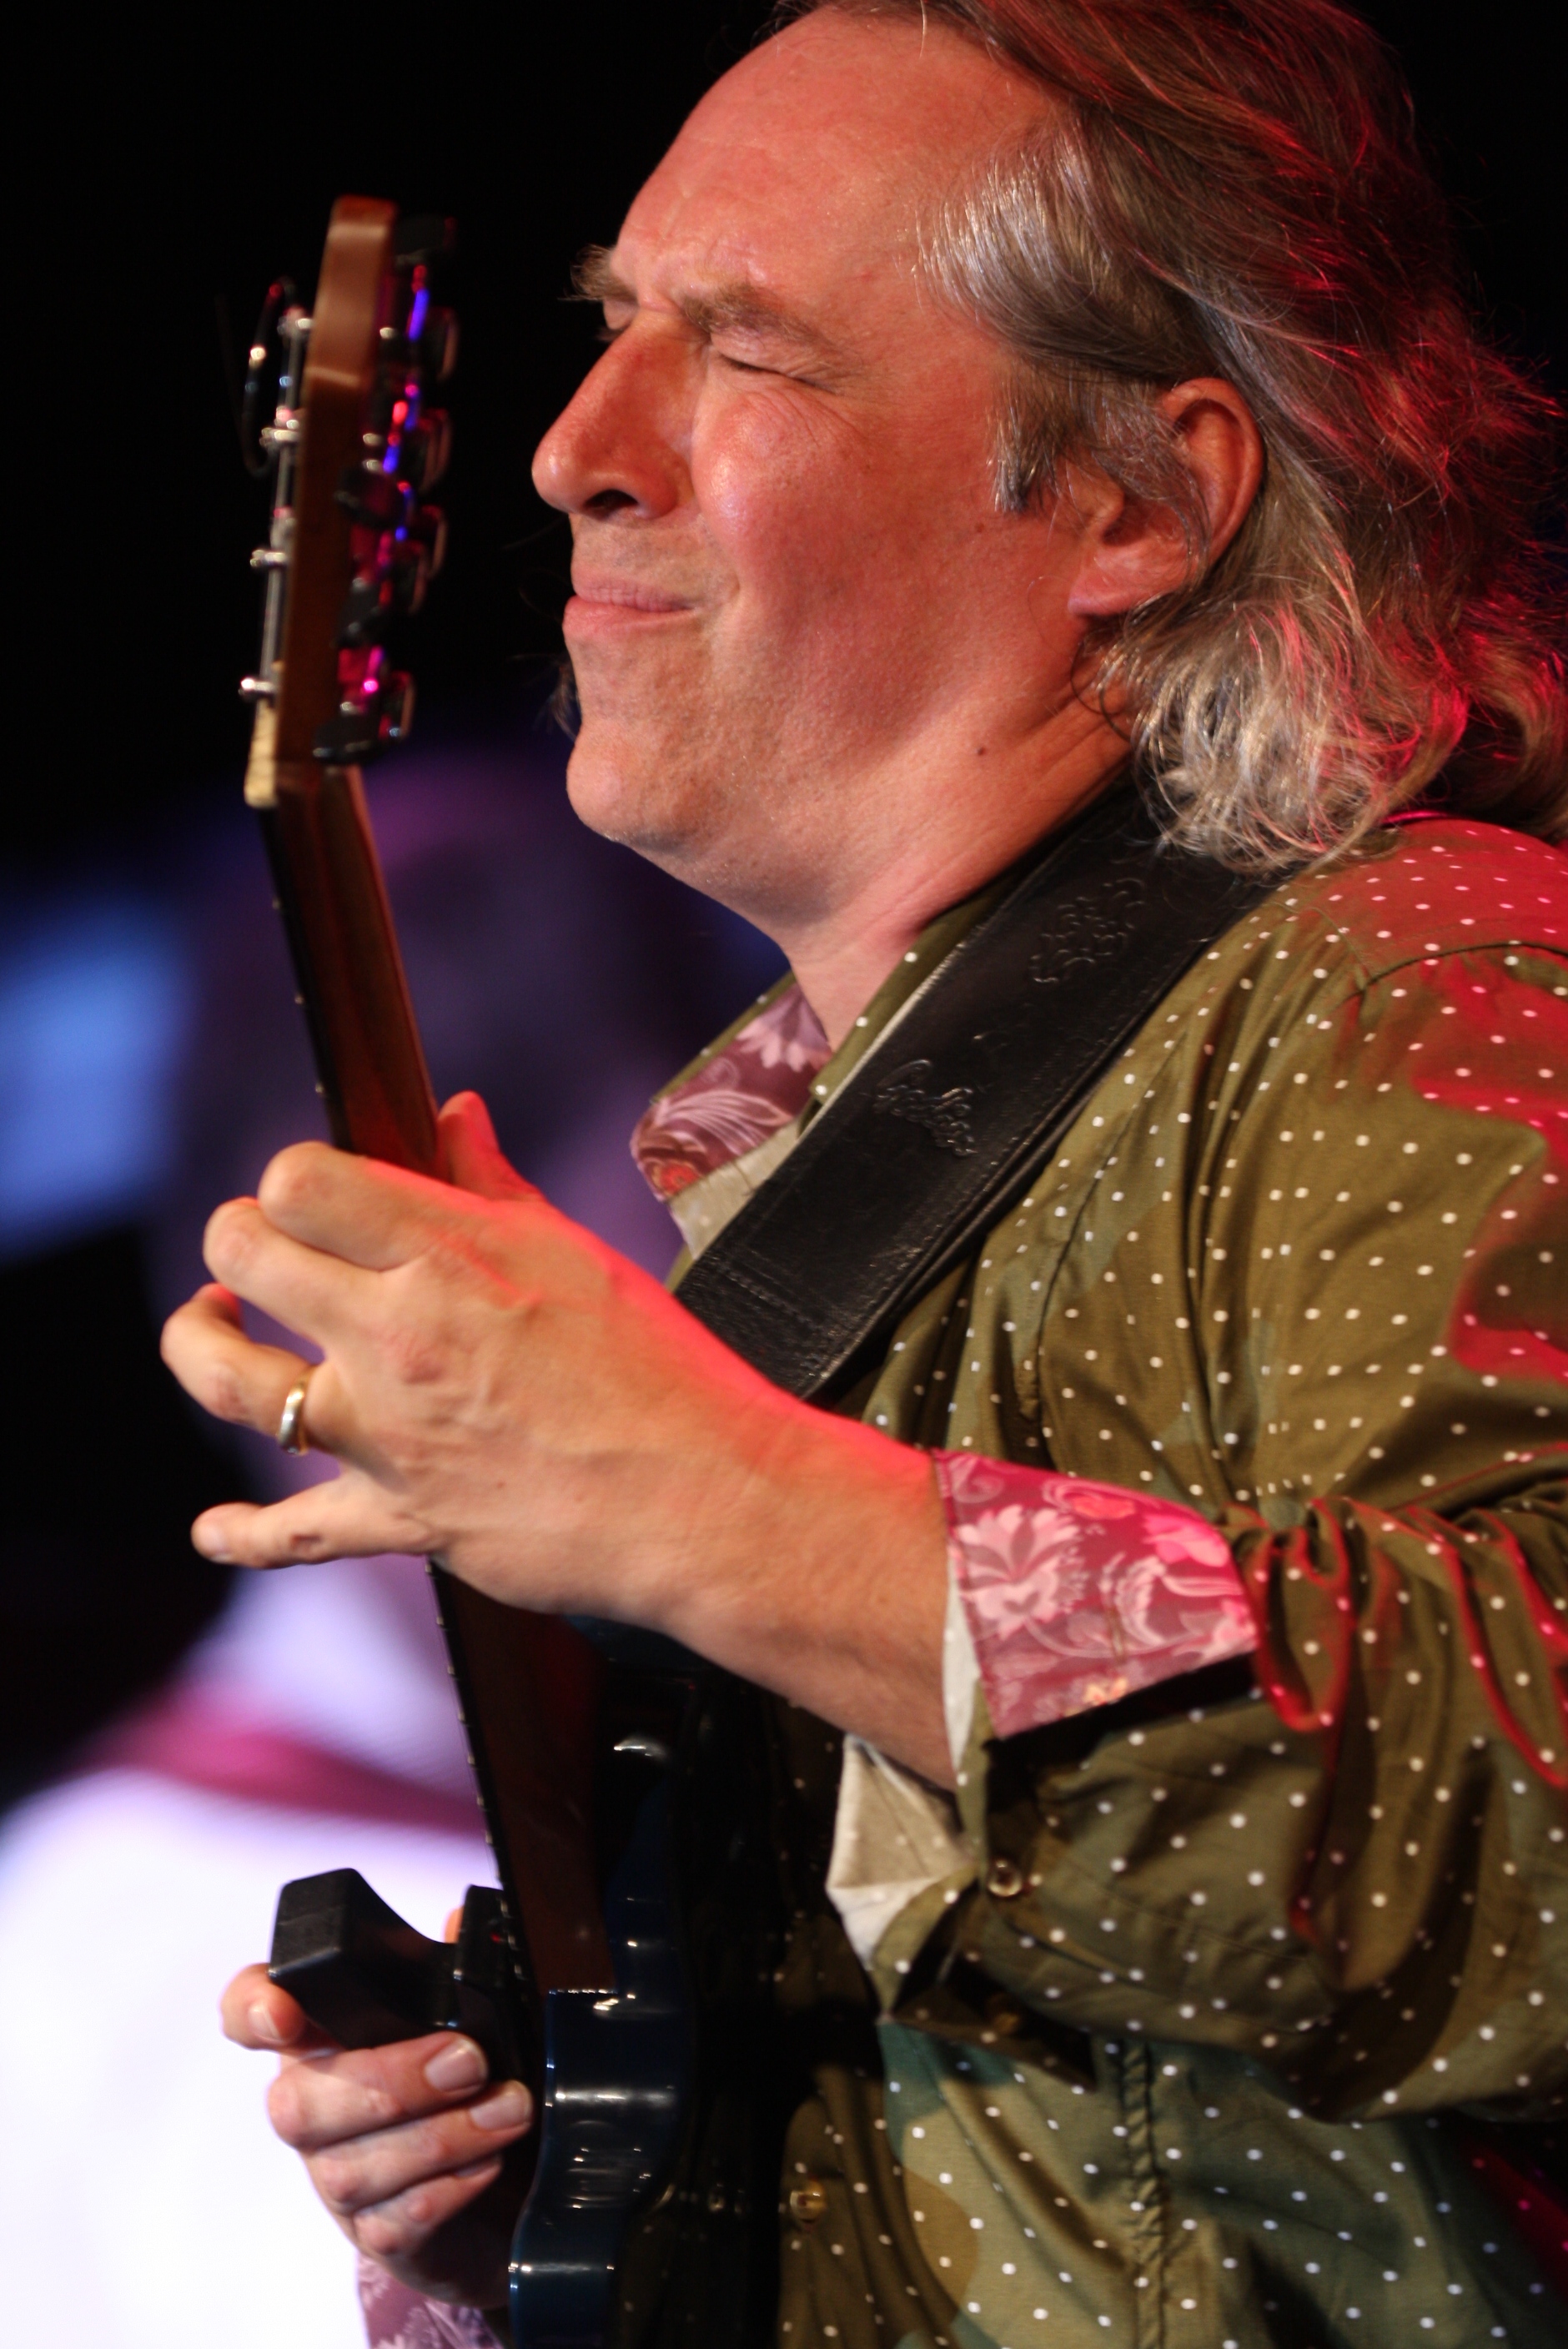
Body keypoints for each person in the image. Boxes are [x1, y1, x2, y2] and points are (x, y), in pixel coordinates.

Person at [162, 3, 1567, 2342]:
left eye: (747, 350)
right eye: (615, 322)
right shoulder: (801, 1164)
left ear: (1135, 504)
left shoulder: (1409, 982)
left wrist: (721, 1506)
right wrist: (579, 2195)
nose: (573, 451)